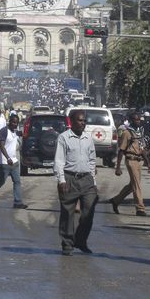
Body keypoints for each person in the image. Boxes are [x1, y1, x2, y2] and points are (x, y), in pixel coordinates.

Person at [54, 109, 97, 256]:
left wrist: (93, 181)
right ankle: (67, 244)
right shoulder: (63, 138)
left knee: (88, 212)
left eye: (84, 120)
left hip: (87, 180)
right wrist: (61, 180)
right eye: (80, 120)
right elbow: (59, 161)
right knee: (67, 213)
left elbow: (92, 160)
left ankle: (81, 240)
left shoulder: (88, 138)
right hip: (69, 178)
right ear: (71, 121)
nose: (83, 123)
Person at [0, 114, 27, 209]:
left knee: (17, 181)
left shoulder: (14, 132)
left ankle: (18, 202)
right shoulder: (3, 131)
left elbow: (22, 133)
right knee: (1, 181)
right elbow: (1, 146)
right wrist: (8, 158)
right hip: (5, 162)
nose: (15, 124)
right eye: (13, 122)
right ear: (9, 121)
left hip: (14, 162)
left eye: (16, 122)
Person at [110, 112, 149, 216]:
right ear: (131, 121)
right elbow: (121, 150)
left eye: (139, 120)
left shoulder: (140, 132)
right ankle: (140, 208)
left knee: (132, 186)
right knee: (137, 184)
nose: (138, 121)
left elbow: (142, 148)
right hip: (131, 160)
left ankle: (116, 200)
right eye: (136, 120)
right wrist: (118, 167)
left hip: (139, 160)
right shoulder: (127, 133)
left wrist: (148, 163)